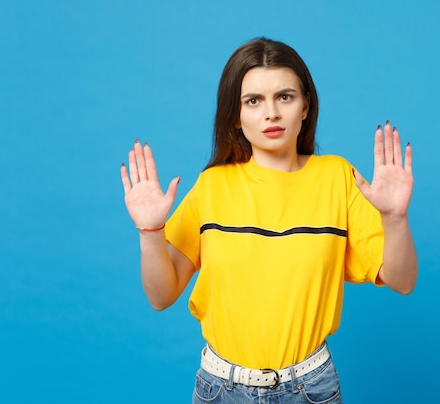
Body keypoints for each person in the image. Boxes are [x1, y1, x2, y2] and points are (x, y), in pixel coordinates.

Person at [120, 37, 417, 404]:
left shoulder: (338, 178)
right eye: (253, 101)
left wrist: (395, 217)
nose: (271, 113)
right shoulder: (213, 185)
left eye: (285, 97)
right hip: (220, 390)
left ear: (306, 106)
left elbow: (402, 281)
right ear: (236, 116)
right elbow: (161, 296)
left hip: (310, 389)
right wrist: (150, 232)